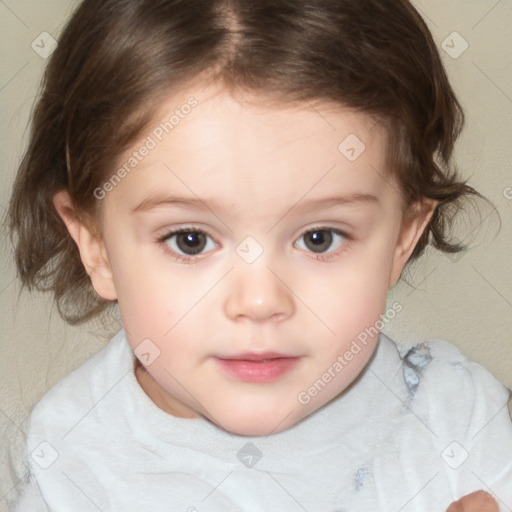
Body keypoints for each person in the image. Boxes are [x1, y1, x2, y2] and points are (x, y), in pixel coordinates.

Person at [6, 0, 511, 510]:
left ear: (402, 237)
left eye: (319, 238)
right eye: (190, 240)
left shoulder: (460, 424)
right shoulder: (70, 457)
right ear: (95, 247)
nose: (259, 301)